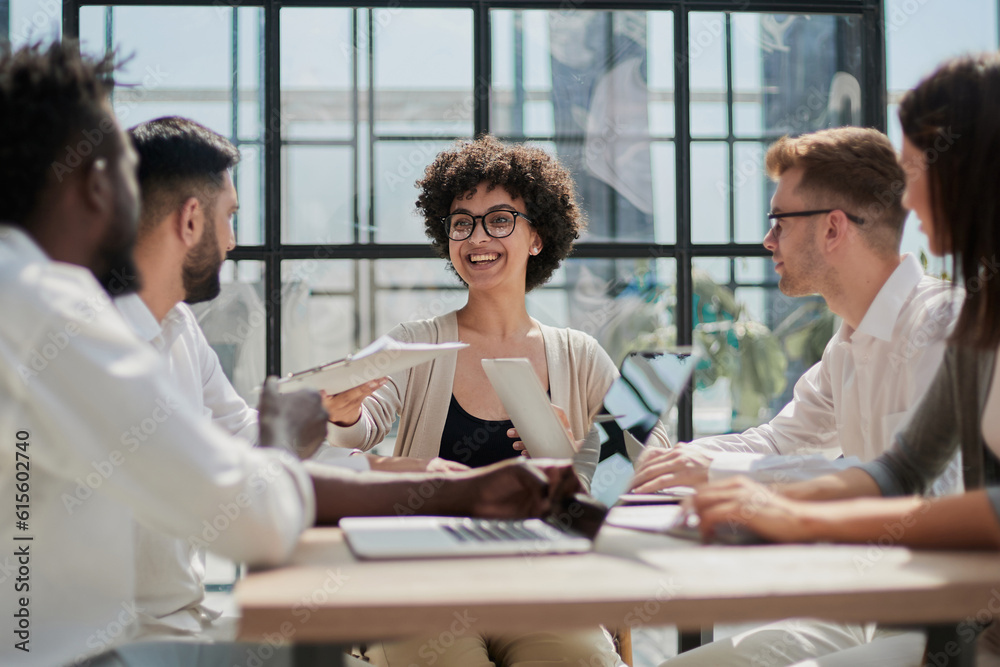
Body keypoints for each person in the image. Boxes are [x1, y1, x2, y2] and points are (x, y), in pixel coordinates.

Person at [0, 43, 580, 667]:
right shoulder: (50, 310)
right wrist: (293, 440)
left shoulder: (131, 322)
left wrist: (431, 484)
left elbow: (234, 446)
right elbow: (249, 507)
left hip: (133, 632)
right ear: (93, 185)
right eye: (120, 171)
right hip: (95, 649)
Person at [688, 52, 1000, 666]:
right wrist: (768, 502)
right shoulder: (978, 318)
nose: (905, 199)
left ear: (968, 174)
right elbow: (902, 467)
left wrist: (795, 516)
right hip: (940, 622)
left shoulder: (942, 320)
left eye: (916, 171)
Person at [120, 116, 469, 643]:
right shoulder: (103, 348)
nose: (234, 243)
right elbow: (237, 496)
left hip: (181, 621)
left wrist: (405, 471)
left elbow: (243, 435)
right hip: (121, 642)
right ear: (191, 219)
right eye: (230, 217)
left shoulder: (179, 327)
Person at [326, 135, 662, 666]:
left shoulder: (579, 353)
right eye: (463, 222)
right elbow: (362, 424)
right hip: (424, 584)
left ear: (537, 237)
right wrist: (345, 409)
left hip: (544, 586)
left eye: (500, 219)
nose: (478, 237)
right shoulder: (417, 341)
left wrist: (581, 449)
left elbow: (649, 465)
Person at [636, 126, 963, 667]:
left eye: (778, 222)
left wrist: (720, 477)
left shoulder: (940, 326)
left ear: (834, 228)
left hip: (953, 624)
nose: (768, 241)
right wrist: (685, 460)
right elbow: (781, 439)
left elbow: (926, 496)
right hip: (874, 610)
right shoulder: (848, 342)